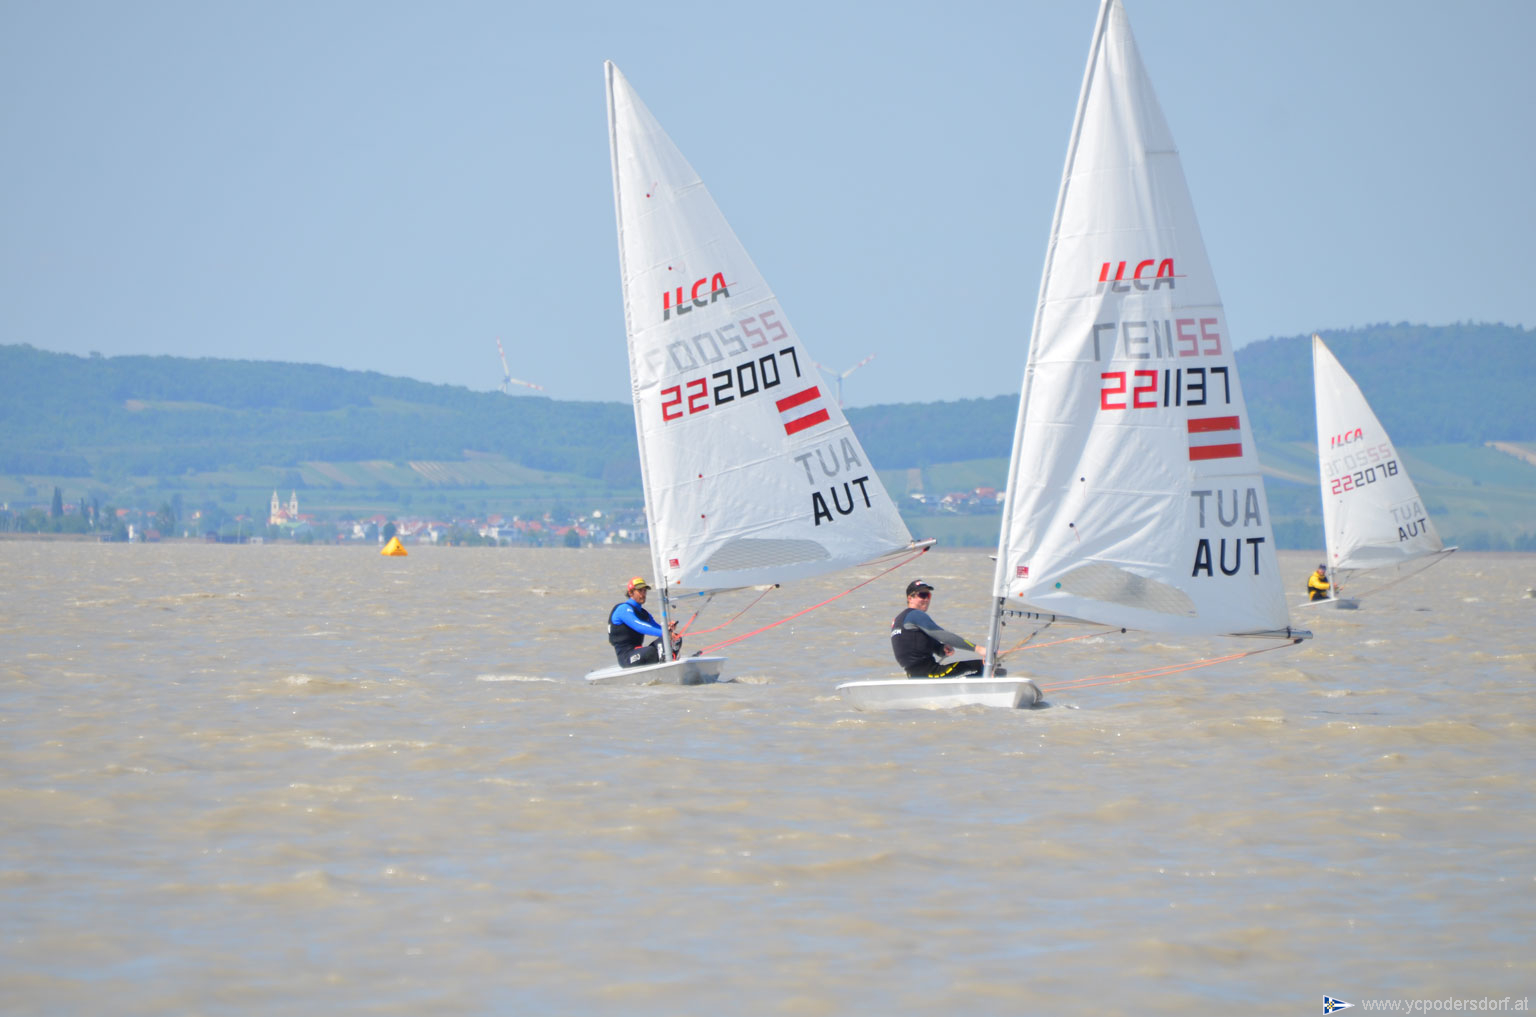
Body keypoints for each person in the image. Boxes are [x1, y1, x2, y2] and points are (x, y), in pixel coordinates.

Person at [889, 579, 998, 678]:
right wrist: (978, 649)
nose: (926, 599)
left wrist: (941, 649)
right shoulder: (915, 614)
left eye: (928, 595)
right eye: (922, 595)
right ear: (910, 598)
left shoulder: (899, 619)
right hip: (929, 673)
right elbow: (942, 635)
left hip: (914, 675)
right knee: (983, 666)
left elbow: (915, 646)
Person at [607, 576, 681, 667]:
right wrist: (665, 633)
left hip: (639, 651)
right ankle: (663, 665)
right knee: (650, 651)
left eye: (644, 591)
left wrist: (668, 629)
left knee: (676, 639)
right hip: (626, 657)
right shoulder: (623, 609)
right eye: (640, 591)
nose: (643, 594)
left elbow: (656, 628)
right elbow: (639, 626)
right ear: (630, 593)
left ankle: (671, 663)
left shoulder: (644, 613)